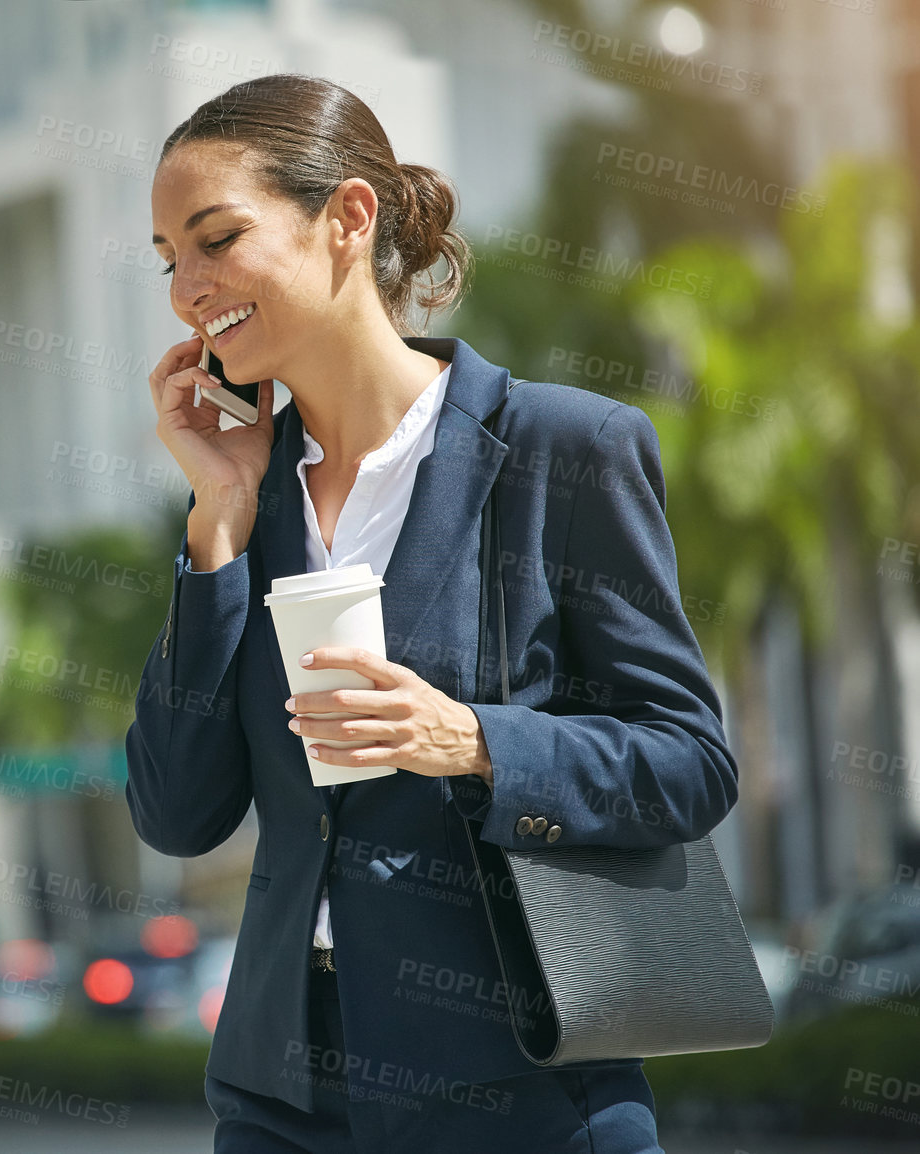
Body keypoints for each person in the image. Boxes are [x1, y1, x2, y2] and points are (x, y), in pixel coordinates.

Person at [126, 73, 737, 1154]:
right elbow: (178, 814)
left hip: (517, 1086)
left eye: (217, 239)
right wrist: (214, 520)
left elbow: (689, 762)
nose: (188, 287)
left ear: (348, 219)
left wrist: (475, 740)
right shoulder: (237, 495)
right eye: (170, 257)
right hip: (284, 1096)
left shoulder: (565, 449)